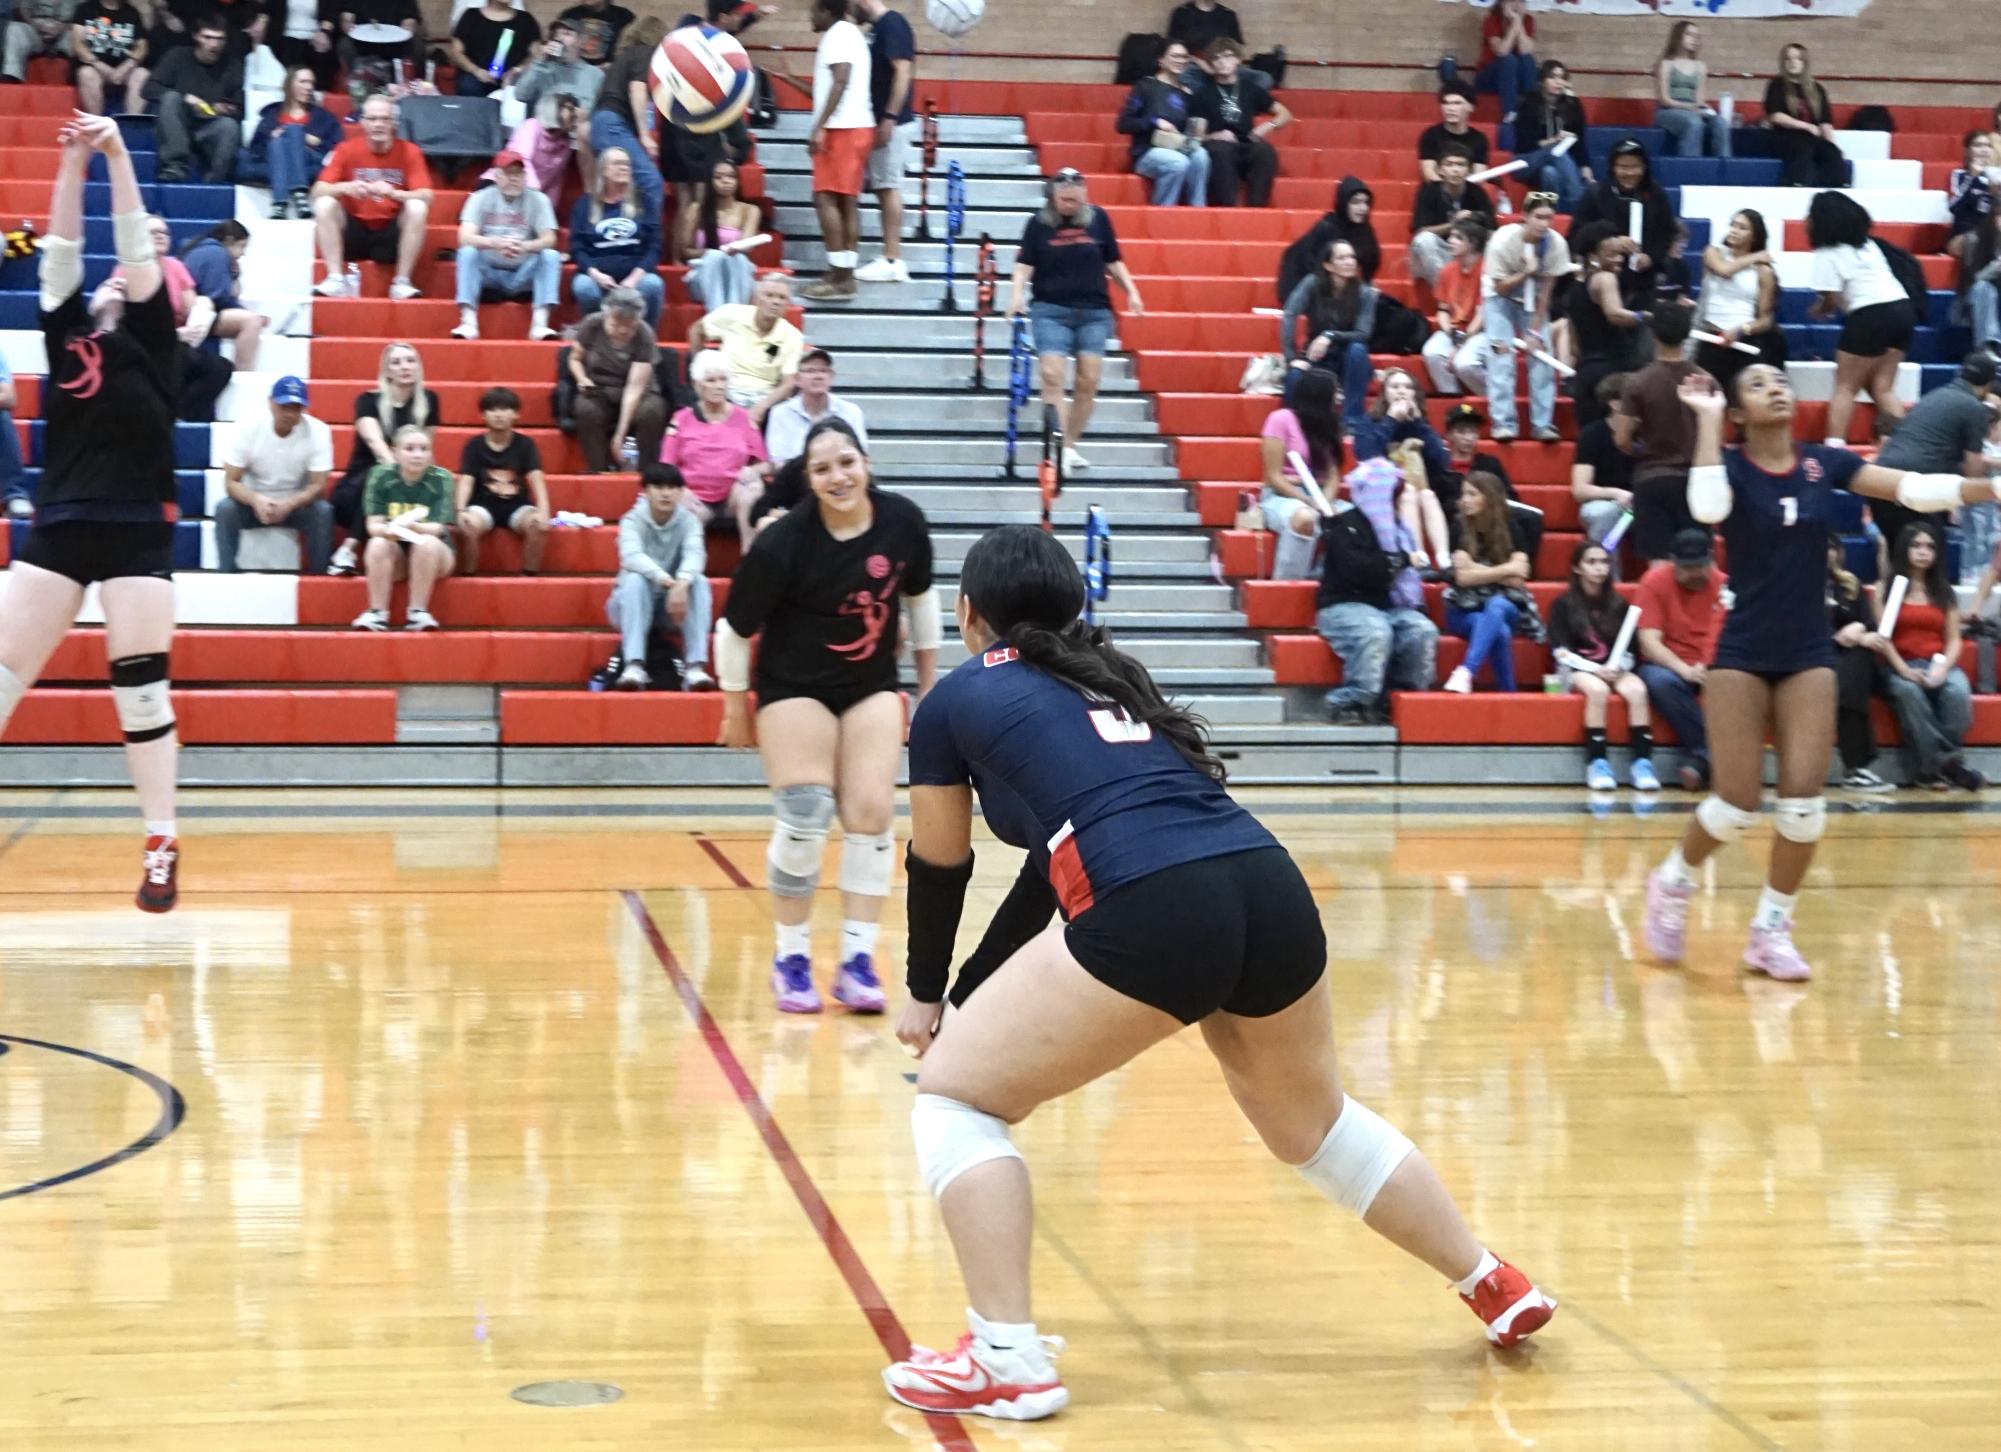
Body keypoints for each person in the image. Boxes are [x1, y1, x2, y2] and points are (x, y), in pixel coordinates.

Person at [884, 522, 1554, 1420]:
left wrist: (927, 992)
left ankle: (1006, 1358)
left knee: (954, 1102)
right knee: (1313, 1125)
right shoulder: (1105, 678)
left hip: (1151, 902)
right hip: (1264, 882)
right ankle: (1489, 1279)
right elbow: (1053, 870)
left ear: (966, 614)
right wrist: (968, 994)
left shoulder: (955, 696)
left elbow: (939, 862)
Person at [1644, 366, 1999, 980]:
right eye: (1754, 384)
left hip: (1809, 650)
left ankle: (1770, 930)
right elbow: (1704, 508)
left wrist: (1988, 487)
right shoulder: (1726, 466)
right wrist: (1705, 420)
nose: (1775, 388)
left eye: (1779, 380)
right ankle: (1674, 882)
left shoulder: (1823, 464)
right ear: (1737, 413)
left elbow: (1912, 490)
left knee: (1806, 805)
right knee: (1735, 804)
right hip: (1742, 652)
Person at [0, 114, 183, 910]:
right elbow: (65, 248)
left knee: (141, 693)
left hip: (139, 522)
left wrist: (117, 153)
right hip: (64, 520)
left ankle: (161, 843)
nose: (113, 280)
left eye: (125, 281)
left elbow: (132, 243)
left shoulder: (151, 335)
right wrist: (74, 158)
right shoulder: (63, 326)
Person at [715, 417, 939, 1014]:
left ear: (865, 462)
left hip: (870, 685)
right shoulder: (783, 543)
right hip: (793, 686)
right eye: (822, 469)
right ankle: (790, 957)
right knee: (806, 813)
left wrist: (930, 687)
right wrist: (735, 710)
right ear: (808, 479)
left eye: (846, 462)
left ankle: (858, 961)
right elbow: (733, 631)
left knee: (871, 816)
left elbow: (919, 599)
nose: (837, 476)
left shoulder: (903, 523)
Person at [1007, 168, 1143, 474]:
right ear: (1053, 197)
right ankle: (1056, 446)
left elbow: (1113, 261)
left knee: (1088, 380)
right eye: (1064, 199)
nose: (1070, 205)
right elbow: (1024, 265)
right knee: (1052, 375)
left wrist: (1132, 291)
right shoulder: (1038, 224)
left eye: (1075, 199)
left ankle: (1069, 445)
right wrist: (1015, 296)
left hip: (1093, 311)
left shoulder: (1098, 219)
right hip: (1050, 308)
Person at [1311, 457, 1437, 724]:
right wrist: (1399, 560)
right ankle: (1349, 700)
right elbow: (1357, 570)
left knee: (1422, 630)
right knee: (1375, 631)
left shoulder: (1398, 531)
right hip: (1341, 605)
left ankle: (1400, 698)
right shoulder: (1344, 525)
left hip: (1384, 607)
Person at [1868, 351, 1998, 578]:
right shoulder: (1974, 408)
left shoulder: (1934, 395)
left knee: (1898, 561)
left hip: (1880, 482)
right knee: (1929, 561)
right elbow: (1973, 471)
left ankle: (1891, 610)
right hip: (1915, 485)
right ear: (1988, 385)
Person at [1876, 521, 1982, 790]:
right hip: (1899, 664)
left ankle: (1932, 769)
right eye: (1916, 545)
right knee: (1909, 692)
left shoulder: (1943, 591)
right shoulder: (1886, 589)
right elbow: (1883, 638)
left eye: (1929, 547)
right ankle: (1949, 765)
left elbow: (1954, 640)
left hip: (1937, 663)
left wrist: (1943, 669)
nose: (1923, 551)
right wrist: (1904, 671)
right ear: (1904, 549)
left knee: (1957, 691)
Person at [1549, 541, 1659, 791]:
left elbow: (1631, 649)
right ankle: (1597, 762)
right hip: (1578, 669)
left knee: (1637, 691)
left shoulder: (1618, 604)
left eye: (1604, 562)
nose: (1600, 568)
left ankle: (1642, 762)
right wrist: (1592, 668)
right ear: (1577, 568)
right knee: (1598, 691)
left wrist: (1619, 666)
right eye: (1592, 562)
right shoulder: (1563, 605)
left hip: (1614, 667)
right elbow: (1561, 651)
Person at [1808, 191, 1917, 446]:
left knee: (1846, 386)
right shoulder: (1869, 245)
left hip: (1869, 314)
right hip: (1903, 309)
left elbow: (1831, 299)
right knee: (1883, 387)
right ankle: (1904, 446)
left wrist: (1820, 309)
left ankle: (1835, 446)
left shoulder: (1827, 253)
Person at [328, 341, 438, 574]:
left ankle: (421, 553)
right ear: (386, 371)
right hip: (356, 490)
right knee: (378, 474)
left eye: (410, 361)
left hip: (405, 485)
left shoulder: (429, 401)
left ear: (419, 366)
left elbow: (426, 449)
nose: (404, 367)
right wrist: (400, 476)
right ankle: (348, 549)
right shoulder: (368, 401)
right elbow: (376, 445)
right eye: (396, 363)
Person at [310, 94, 432, 302]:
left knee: (417, 207)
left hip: (390, 233)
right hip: (354, 230)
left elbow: (427, 196)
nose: (379, 125)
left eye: (385, 119)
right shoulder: (346, 149)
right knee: (324, 203)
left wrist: (394, 193)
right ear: (363, 122)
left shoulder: (410, 151)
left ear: (394, 122)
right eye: (373, 119)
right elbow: (318, 190)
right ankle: (335, 279)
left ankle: (402, 282)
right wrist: (346, 187)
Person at [1617, 309, 1716, 564]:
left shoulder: (1638, 382)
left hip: (1652, 477)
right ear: (1687, 335)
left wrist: (1641, 449)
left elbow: (1622, 439)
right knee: (1702, 560)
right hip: (1697, 479)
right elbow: (1718, 438)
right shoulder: (1707, 380)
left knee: (1659, 565)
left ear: (1653, 335)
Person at [609, 463, 716, 691]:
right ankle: (634, 665)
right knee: (636, 579)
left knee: (699, 582)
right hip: (628, 605)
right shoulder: (631, 520)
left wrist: (683, 582)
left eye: (672, 487)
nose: (666, 493)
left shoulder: (690, 521)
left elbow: (696, 554)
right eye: (658, 487)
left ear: (680, 492)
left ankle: (695, 668)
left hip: (672, 608)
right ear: (646, 491)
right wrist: (668, 581)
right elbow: (632, 557)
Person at [216, 376, 333, 573]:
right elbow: (231, 482)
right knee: (225, 510)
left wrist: (289, 504)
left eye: (295, 408)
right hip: (254, 502)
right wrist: (255, 500)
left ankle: (319, 575)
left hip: (296, 503)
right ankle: (226, 573)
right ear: (271, 403)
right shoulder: (247, 427)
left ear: (304, 409)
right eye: (284, 406)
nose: (289, 413)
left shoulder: (318, 431)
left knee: (323, 511)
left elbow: (319, 486)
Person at [1482, 193, 1573, 444]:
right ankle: (1503, 423)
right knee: (1501, 355)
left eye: (1549, 218)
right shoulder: (1502, 241)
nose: (1544, 223)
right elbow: (1500, 288)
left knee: (1542, 356)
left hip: (1534, 301)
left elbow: (1547, 291)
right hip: (1501, 297)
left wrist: (1533, 332)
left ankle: (1542, 424)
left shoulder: (1556, 244)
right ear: (1525, 216)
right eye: (1538, 217)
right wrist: (1526, 271)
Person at [798, 0, 874, 299]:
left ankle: (841, 278)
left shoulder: (838, 35)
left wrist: (819, 128)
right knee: (845, 202)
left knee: (824, 197)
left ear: (828, 11)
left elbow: (840, 80)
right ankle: (843, 270)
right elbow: (833, 86)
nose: (810, 15)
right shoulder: (851, 33)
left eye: (814, 10)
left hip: (842, 129)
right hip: (855, 126)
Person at [661, 351, 772, 546]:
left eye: (723, 380)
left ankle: (750, 560)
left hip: (732, 496)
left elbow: (765, 465)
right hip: (693, 494)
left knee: (753, 488)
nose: (719, 386)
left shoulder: (744, 417)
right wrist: (681, 490)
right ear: (697, 385)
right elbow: (666, 466)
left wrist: (753, 470)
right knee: (684, 509)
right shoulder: (681, 418)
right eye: (711, 380)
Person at [352, 426, 455, 632]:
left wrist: (413, 526)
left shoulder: (441, 478)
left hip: (436, 554)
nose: (418, 454)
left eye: (424, 449)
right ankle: (377, 612)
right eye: (410, 448)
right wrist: (389, 530)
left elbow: (439, 528)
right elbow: (373, 526)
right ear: (395, 452)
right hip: (395, 551)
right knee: (378, 543)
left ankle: (417, 612)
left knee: (427, 542)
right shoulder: (380, 475)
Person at [450, 150, 560, 342]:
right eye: (508, 173)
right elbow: (464, 236)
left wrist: (525, 246)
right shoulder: (480, 198)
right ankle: (468, 321)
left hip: (523, 272)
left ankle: (540, 324)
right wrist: (494, 243)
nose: (513, 179)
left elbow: (549, 239)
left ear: (525, 177)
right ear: (496, 176)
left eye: (518, 173)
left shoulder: (538, 200)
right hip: (489, 271)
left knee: (550, 255)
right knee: (467, 253)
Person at [1442, 471, 1533, 694]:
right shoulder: (1458, 528)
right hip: (1463, 609)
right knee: (1499, 631)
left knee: (1498, 605)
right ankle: (1509, 695)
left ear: (1489, 497)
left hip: (1506, 605)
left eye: (1472, 494)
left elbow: (1518, 577)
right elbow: (1462, 578)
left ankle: (1466, 671)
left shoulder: (1513, 527)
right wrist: (1505, 571)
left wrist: (1476, 568)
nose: (1465, 500)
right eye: (1463, 494)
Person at [847, 0, 915, 282]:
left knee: (888, 187)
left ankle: (892, 259)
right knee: (882, 187)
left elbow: (902, 71)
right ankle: (890, 256)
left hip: (892, 122)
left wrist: (889, 116)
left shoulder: (893, 23)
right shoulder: (877, 28)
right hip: (882, 120)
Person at [571, 286, 671, 474]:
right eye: (616, 324)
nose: (623, 330)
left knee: (652, 411)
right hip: (600, 388)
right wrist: (582, 378)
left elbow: (633, 389)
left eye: (630, 325)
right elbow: (574, 358)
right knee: (585, 408)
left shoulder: (644, 334)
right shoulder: (591, 325)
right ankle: (598, 469)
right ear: (606, 315)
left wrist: (620, 434)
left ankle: (646, 471)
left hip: (639, 392)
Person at [1568, 138, 1676, 311]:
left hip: (1644, 284)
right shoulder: (1596, 195)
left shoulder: (1656, 194)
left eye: (1635, 167)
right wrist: (1612, 243)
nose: (1630, 173)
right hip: (1601, 282)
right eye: (1623, 167)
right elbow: (1576, 236)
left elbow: (1667, 233)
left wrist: (1651, 258)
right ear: (1613, 167)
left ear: (1644, 167)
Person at [1281, 240, 1377, 430]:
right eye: (1342, 258)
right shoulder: (1312, 283)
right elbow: (1289, 314)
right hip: (1317, 354)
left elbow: (1363, 334)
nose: (1350, 262)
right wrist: (1291, 358)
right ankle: (1291, 426)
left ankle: (1352, 420)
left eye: (1352, 257)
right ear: (1328, 265)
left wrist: (1330, 335)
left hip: (1348, 357)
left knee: (1358, 349)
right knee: (1294, 376)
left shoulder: (1366, 293)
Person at [454, 386, 550, 576]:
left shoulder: (526, 444)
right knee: (467, 525)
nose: (499, 415)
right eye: (493, 409)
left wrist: (544, 512)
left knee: (536, 525)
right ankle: (469, 576)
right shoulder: (473, 445)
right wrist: (460, 510)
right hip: (482, 506)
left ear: (516, 414)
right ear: (483, 415)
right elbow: (466, 480)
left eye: (505, 409)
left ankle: (529, 576)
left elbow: (536, 479)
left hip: (517, 506)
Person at [1258, 367, 1341, 581]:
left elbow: (1333, 474)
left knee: (1355, 519)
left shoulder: (1329, 424)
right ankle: (1287, 585)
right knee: (1304, 517)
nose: (1340, 397)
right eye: (1336, 392)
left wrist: (1325, 502)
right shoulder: (1280, 419)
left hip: (1318, 494)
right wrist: (1307, 500)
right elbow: (1273, 476)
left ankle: (1328, 580)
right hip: (1283, 495)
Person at [688, 272, 804, 423]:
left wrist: (762, 407)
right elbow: (697, 330)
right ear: (756, 299)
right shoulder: (732, 314)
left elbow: (788, 383)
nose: (775, 302)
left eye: (782, 298)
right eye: (769, 295)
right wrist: (701, 366)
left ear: (788, 304)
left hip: (764, 396)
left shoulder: (792, 336)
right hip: (725, 389)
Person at [1567, 221, 1649, 433]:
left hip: (1585, 374)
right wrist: (1645, 317)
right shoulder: (1605, 278)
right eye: (1611, 254)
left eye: (1620, 254)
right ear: (1593, 256)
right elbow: (1614, 314)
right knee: (1618, 442)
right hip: (1612, 375)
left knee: (1589, 442)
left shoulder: (1574, 287)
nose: (1619, 259)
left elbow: (1574, 346)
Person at [568, 147, 664, 326]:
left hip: (636, 274)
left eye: (627, 164)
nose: (624, 168)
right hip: (597, 276)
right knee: (583, 287)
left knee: (652, 285)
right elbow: (577, 247)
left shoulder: (645, 201)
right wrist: (596, 275)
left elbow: (654, 246)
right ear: (604, 170)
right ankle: (597, 336)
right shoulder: (584, 204)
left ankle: (646, 339)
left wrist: (634, 278)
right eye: (618, 164)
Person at [1694, 208, 1784, 395]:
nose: (1734, 230)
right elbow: (1724, 270)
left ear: (1754, 236)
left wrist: (1740, 330)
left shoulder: (1763, 271)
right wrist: (1754, 256)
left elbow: (1765, 319)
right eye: (1733, 225)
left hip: (1742, 341)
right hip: (1710, 337)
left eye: (1742, 227)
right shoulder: (1713, 252)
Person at [1826, 539, 1892, 793]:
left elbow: (1870, 624)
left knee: (1858, 660)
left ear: (1840, 553)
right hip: (1818, 657)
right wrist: (1836, 636)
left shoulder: (1850, 585)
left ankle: (1857, 768)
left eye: (1832, 547)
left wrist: (1861, 630)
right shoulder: (1798, 585)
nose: (1827, 553)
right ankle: (1857, 767)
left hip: (1854, 663)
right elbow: (1795, 630)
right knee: (1853, 669)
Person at [1190, 39, 1287, 208]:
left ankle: (1256, 210)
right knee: (1222, 150)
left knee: (1265, 151)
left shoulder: (1250, 88)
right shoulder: (1202, 94)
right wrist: (1216, 135)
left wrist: (1268, 126)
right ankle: (1229, 209)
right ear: (1211, 64)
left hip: (1246, 144)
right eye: (1216, 58)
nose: (1222, 62)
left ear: (1238, 60)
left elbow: (1285, 114)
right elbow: (1197, 136)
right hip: (1219, 147)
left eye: (1227, 56)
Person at [588, 16, 665, 228]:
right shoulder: (645, 53)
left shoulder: (622, 59)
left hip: (602, 124)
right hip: (614, 123)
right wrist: (644, 135)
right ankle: (648, 240)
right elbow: (637, 88)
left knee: (617, 188)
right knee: (650, 181)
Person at [145, 15, 241, 183]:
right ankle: (175, 166)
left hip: (208, 126)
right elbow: (149, 89)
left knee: (229, 126)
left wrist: (225, 109)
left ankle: (215, 181)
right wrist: (186, 98)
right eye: (208, 38)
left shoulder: (232, 65)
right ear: (196, 36)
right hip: (175, 126)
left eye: (220, 39)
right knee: (171, 97)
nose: (214, 44)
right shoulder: (177, 56)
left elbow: (238, 107)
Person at [1117, 39, 1209, 208]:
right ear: (1161, 60)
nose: (1180, 60)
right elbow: (1123, 124)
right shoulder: (1146, 86)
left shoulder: (1188, 92)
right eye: (1175, 56)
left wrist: (1197, 127)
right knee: (1178, 162)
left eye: (1184, 57)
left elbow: (1192, 129)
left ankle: (1198, 208)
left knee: (1201, 156)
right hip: (1147, 152)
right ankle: (1163, 212)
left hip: (1179, 147)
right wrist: (1154, 121)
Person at [511, 19, 601, 190]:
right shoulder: (543, 67)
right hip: (547, 137)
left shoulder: (595, 74)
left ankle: (592, 197)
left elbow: (599, 112)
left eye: (567, 34)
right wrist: (540, 61)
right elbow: (520, 94)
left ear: (581, 41)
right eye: (558, 34)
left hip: (578, 137)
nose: (560, 38)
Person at [242, 65, 341, 220]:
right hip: (274, 162)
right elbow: (255, 148)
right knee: (278, 142)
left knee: (293, 130)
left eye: (311, 83)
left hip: (310, 162)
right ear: (289, 85)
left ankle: (279, 203)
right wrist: (272, 137)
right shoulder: (271, 115)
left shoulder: (323, 117)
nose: (308, 87)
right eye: (303, 82)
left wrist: (308, 139)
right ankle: (300, 194)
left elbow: (337, 146)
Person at [1277, 177, 1380, 300]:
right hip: (1312, 289)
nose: (1363, 208)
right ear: (1344, 203)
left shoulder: (1365, 231)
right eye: (1356, 202)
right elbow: (1312, 268)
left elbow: (1370, 266)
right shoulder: (1327, 228)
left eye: (1366, 202)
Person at [1407, 144, 1495, 287]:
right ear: (1440, 170)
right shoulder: (1428, 191)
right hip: (1438, 253)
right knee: (1424, 241)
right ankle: (1448, 295)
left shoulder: (1477, 193)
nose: (1455, 170)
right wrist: (1454, 224)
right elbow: (1420, 232)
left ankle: (1480, 293)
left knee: (1494, 242)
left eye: (1461, 165)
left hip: (1468, 253)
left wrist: (1473, 224)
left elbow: (1491, 231)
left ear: (1469, 170)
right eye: (1449, 164)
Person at [180, 218, 263, 369]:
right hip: (197, 312)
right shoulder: (217, 253)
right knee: (252, 321)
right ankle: (243, 373)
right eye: (242, 246)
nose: (243, 253)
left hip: (194, 309)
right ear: (230, 240)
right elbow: (218, 296)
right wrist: (243, 311)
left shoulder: (200, 249)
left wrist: (235, 276)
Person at [1511, 60, 1591, 214]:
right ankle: (1579, 201)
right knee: (1556, 151)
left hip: (1558, 165)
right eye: (1553, 77)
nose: (1558, 82)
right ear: (1542, 80)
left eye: (1562, 78)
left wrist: (1585, 167)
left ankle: (1557, 221)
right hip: (1525, 161)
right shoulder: (1527, 103)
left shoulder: (1573, 105)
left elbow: (1580, 140)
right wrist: (1555, 141)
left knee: (1550, 173)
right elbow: (1525, 143)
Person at [765, 348, 869, 467]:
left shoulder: (851, 412)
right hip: (795, 480)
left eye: (823, 371)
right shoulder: (780, 413)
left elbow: (861, 457)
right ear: (797, 379)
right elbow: (778, 462)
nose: (818, 376)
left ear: (831, 377)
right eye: (810, 371)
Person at [1423, 219, 1490, 399]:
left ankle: (1495, 398)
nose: (1450, 241)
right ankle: (1451, 397)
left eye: (1458, 237)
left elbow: (1483, 314)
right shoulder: (1447, 270)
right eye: (1451, 236)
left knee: (1464, 363)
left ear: (1473, 243)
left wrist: (1462, 342)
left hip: (1483, 331)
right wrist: (1449, 331)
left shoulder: (1487, 271)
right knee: (1431, 352)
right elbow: (1443, 309)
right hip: (1456, 329)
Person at [683, 158, 762, 309]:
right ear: (709, 181)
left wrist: (726, 253)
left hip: (737, 272)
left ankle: (730, 319)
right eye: (718, 177)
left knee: (738, 259)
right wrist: (713, 253)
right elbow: (685, 250)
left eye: (731, 176)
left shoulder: (750, 210)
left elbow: (745, 246)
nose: (726, 181)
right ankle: (720, 319)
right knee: (714, 257)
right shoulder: (696, 209)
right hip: (703, 273)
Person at [1764, 43, 1845, 189]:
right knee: (1803, 147)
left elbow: (1825, 122)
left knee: (1831, 152)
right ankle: (1796, 184)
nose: (1793, 62)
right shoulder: (1777, 85)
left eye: (1797, 59)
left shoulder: (1817, 89)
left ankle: (1839, 187)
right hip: (1783, 136)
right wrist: (1806, 126)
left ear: (1804, 63)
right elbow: (1776, 116)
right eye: (1788, 59)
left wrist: (1831, 144)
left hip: (1811, 137)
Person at [1571, 374, 1634, 550]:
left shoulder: (1649, 433)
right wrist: (1616, 494)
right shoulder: (1592, 435)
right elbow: (1580, 489)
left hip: (1640, 507)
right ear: (1615, 404)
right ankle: (1604, 569)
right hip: (1608, 503)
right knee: (1606, 514)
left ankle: (1600, 564)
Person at [1655, 20, 1729, 159]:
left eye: (1697, 36)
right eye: (1689, 35)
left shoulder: (1700, 66)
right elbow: (1664, 99)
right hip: (1669, 111)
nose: (1694, 40)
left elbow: (1699, 98)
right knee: (1693, 123)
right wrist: (1688, 106)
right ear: (1678, 37)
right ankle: (1690, 168)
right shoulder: (1666, 64)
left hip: (1692, 109)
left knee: (1720, 122)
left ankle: (1726, 168)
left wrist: (1702, 107)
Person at [447, 0, 538, 98]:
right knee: (468, 85)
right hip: (475, 77)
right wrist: (476, 71)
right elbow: (456, 51)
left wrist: (517, 70)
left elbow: (536, 53)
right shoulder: (471, 16)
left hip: (513, 78)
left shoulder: (525, 19)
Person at [1418, 81, 1489, 184]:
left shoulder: (1479, 138)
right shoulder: (1431, 135)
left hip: (1467, 192)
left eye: (1457, 103)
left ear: (1471, 107)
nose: (1450, 109)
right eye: (1446, 103)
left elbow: (1479, 175)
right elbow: (1429, 174)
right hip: (1437, 191)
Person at [1477, 0, 1536, 123]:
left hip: (1514, 79)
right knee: (1508, 60)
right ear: (1503, 3)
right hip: (1489, 78)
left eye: (1521, 2)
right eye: (1512, 1)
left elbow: (1526, 50)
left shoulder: (1528, 20)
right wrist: (1514, 25)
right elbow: (1502, 51)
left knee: (1528, 60)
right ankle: (1510, 113)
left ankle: (1530, 109)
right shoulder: (1492, 19)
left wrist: (1518, 23)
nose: (1517, 5)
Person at [5, 0, 78, 86]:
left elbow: (85, 16)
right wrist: (37, 26)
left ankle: (78, 81)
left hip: (66, 30)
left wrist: (62, 28)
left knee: (80, 36)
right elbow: (21, 9)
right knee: (15, 28)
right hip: (35, 27)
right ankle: (11, 79)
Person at [554, 0, 633, 66]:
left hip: (608, 70)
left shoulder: (623, 15)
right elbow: (557, 46)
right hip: (574, 71)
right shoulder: (570, 15)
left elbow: (629, 47)